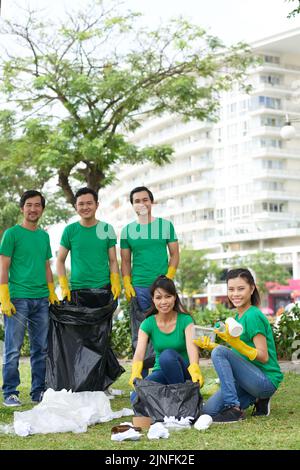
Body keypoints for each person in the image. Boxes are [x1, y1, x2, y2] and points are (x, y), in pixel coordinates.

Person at [194, 268, 283, 423]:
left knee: (219, 352)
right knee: (208, 411)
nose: (235, 294)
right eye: (231, 289)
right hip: (247, 379)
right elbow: (239, 356)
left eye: (241, 289)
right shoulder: (237, 317)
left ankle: (234, 408)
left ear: (252, 288)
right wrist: (213, 345)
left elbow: (263, 356)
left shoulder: (253, 315)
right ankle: (257, 400)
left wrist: (230, 345)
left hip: (265, 380)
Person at [0, 190, 59, 406]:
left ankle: (38, 391)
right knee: (13, 349)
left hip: (41, 299)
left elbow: (46, 266)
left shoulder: (43, 236)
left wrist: (52, 290)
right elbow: (3, 266)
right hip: (17, 299)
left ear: (42, 209)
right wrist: (4, 296)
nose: (33, 209)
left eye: (37, 205)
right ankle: (10, 392)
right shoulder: (12, 234)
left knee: (40, 349)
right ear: (22, 208)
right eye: (29, 205)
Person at [128, 275, 204, 395]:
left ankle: (181, 395)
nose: (163, 302)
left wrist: (195, 369)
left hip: (184, 373)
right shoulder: (147, 323)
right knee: (136, 396)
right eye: (158, 297)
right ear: (153, 299)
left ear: (174, 298)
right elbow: (139, 353)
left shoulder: (185, 320)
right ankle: (174, 397)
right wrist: (136, 371)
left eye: (168, 296)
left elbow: (192, 348)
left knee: (167, 356)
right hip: (161, 371)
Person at [56, 187, 121, 303]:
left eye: (89, 203)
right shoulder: (70, 230)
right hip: (78, 290)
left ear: (97, 205)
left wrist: (116, 281)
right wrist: (63, 285)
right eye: (81, 204)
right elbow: (60, 260)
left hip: (103, 289)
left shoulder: (107, 229)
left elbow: (113, 260)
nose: (85, 207)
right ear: (76, 207)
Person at [121, 186, 179, 312]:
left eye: (145, 200)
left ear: (151, 202)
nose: (141, 204)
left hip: (163, 286)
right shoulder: (126, 231)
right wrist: (127, 283)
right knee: (141, 328)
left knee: (167, 326)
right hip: (139, 287)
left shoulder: (165, 226)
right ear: (132, 205)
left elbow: (174, 255)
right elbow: (125, 261)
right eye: (137, 201)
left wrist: (168, 278)